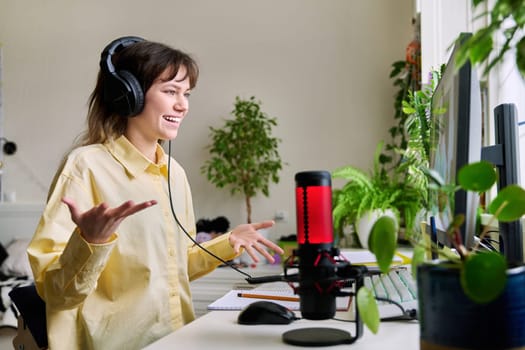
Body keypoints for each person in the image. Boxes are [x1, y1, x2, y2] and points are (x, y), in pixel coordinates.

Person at [26, 36, 284, 350]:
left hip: (176, 339)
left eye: (186, 93)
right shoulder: (85, 167)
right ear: (128, 95)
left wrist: (228, 242)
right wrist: (90, 243)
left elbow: (174, 268)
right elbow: (55, 292)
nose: (183, 105)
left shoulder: (174, 173)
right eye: (170, 91)